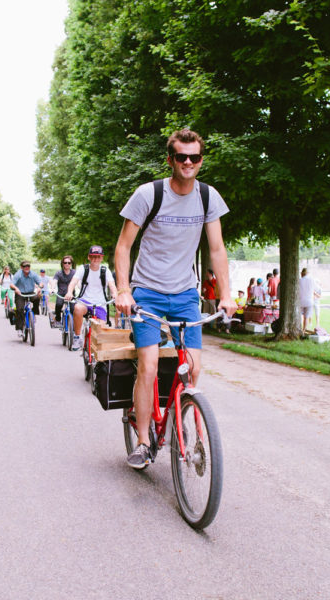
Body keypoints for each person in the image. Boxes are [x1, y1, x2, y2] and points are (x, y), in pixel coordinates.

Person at [115, 128, 236, 469]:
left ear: (200, 160)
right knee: (150, 366)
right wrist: (124, 290)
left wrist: (226, 294)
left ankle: (184, 419)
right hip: (148, 293)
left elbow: (217, 249)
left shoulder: (208, 198)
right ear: (170, 160)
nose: (187, 162)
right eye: (181, 156)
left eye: (194, 157)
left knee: (194, 369)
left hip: (185, 294)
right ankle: (141, 441)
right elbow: (123, 247)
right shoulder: (147, 194)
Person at [65, 245, 117, 350]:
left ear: (102, 258)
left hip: (100, 304)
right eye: (93, 256)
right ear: (89, 257)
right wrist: (69, 292)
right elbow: (73, 283)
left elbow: (112, 285)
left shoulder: (105, 270)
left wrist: (115, 294)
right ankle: (77, 337)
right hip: (85, 301)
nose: (95, 259)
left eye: (98, 256)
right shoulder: (83, 269)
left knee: (100, 334)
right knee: (77, 309)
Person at [9, 261, 42, 332]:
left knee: (38, 296)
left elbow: (41, 283)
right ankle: (19, 329)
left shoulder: (33, 274)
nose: (27, 268)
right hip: (20, 293)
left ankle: (34, 312)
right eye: (24, 266)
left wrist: (39, 287)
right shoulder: (18, 274)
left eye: (28, 266)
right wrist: (16, 288)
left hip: (30, 292)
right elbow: (11, 284)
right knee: (19, 309)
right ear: (21, 267)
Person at [52, 255, 76, 324]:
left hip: (71, 294)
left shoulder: (74, 273)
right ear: (62, 263)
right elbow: (54, 281)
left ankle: (72, 326)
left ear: (71, 264)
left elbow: (78, 282)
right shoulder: (59, 273)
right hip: (61, 294)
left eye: (69, 262)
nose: (67, 264)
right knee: (59, 305)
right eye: (65, 262)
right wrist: (52, 288)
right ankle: (58, 318)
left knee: (73, 309)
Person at [298, 268, 315, 333]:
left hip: (301, 301)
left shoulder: (300, 280)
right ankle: (304, 330)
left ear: (302, 273)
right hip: (309, 301)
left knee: (299, 316)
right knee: (306, 317)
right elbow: (315, 289)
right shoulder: (312, 280)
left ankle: (300, 329)